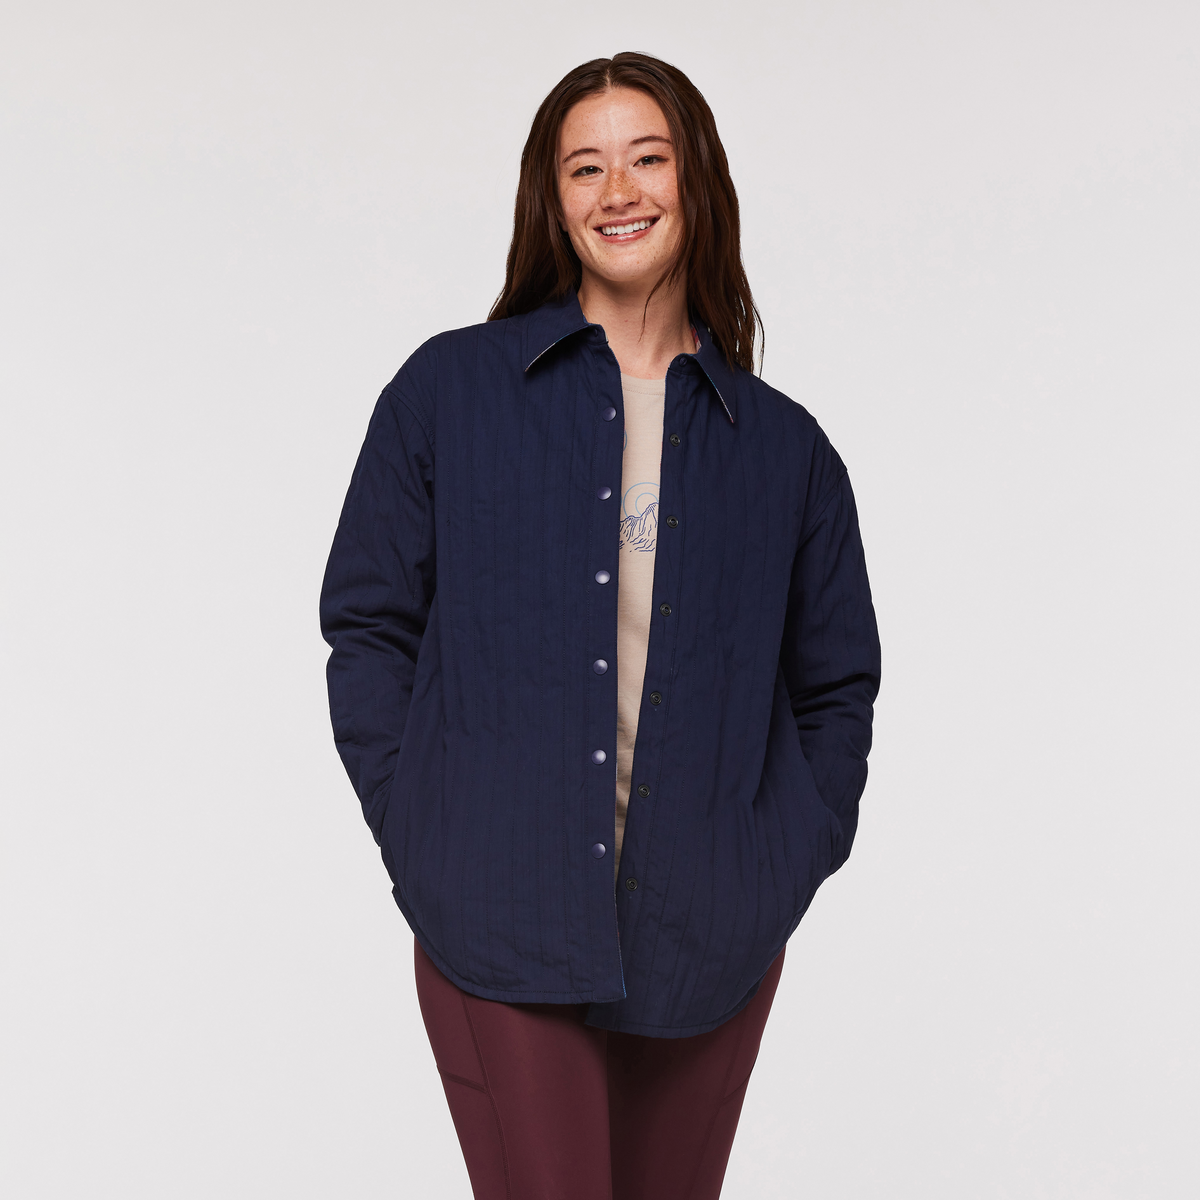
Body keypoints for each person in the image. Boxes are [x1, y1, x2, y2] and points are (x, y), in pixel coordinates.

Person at [320, 51, 880, 1200]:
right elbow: (369, 623)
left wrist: (778, 865)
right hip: (498, 913)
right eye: (586, 167)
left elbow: (835, 686)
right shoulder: (449, 394)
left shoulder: (786, 453)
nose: (618, 191)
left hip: (707, 936)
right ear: (553, 197)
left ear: (696, 180)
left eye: (647, 159)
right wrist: (422, 826)